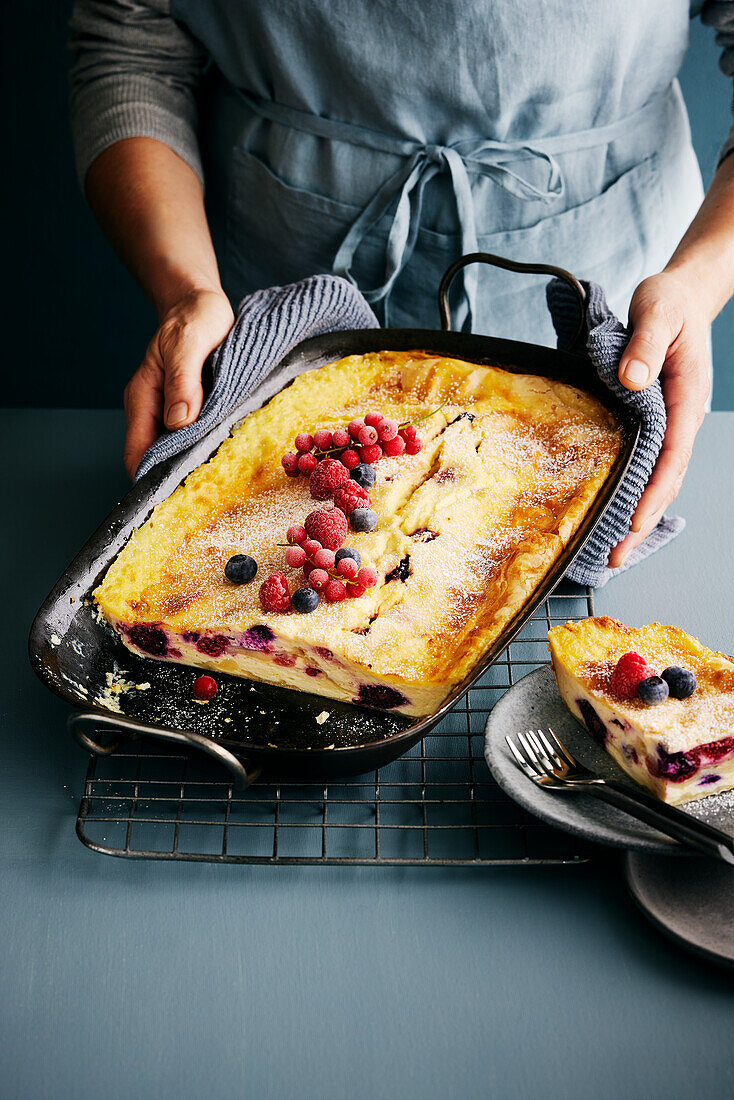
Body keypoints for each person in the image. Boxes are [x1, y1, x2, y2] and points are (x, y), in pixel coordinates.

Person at [69, 1, 734, 566]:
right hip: (276, 289)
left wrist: (697, 285)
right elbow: (132, 48)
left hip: (607, 256)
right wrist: (186, 291)